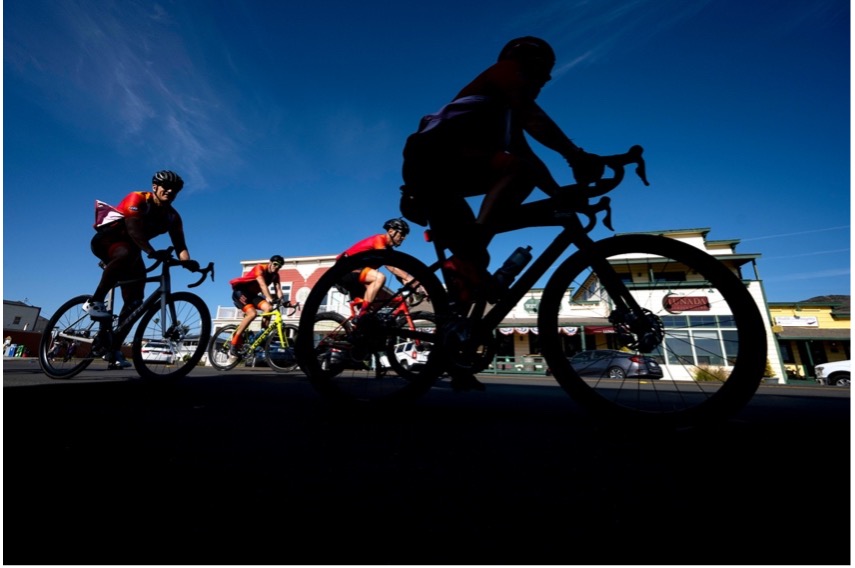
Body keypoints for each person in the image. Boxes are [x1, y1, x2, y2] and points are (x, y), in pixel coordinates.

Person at [400, 36, 603, 304]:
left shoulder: (505, 118)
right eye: (544, 69)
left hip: (439, 172)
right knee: (514, 176)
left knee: (476, 259)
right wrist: (575, 157)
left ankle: (455, 324)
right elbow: (534, 118)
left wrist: (558, 193)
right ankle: (468, 254)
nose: (547, 79)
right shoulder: (504, 71)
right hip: (429, 160)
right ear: (526, 63)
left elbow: (530, 159)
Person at [86, 170, 198, 368]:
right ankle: (95, 301)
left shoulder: (173, 217)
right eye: (166, 187)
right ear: (155, 187)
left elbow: (180, 245)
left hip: (134, 250)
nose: (170, 191)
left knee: (135, 303)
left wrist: (188, 262)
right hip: (109, 240)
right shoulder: (138, 198)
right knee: (126, 253)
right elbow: (133, 229)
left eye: (175, 190)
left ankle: (112, 347)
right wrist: (151, 251)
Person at [336, 218, 421, 314]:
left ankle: (361, 320)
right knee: (378, 278)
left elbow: (398, 272)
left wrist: (413, 286)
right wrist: (410, 279)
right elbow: (389, 265)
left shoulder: (387, 250)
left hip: (358, 274)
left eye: (405, 235)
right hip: (345, 270)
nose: (403, 238)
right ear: (391, 231)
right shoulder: (379, 239)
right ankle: (362, 314)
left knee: (372, 313)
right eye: (402, 234)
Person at [228, 255, 285, 357]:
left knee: (268, 308)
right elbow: (262, 285)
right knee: (252, 313)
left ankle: (262, 335)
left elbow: (278, 289)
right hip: (241, 292)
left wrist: (283, 301)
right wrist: (269, 298)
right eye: (275, 264)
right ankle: (234, 342)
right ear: (270, 262)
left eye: (279, 266)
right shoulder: (260, 268)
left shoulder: (275, 275)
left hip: (253, 295)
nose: (276, 267)